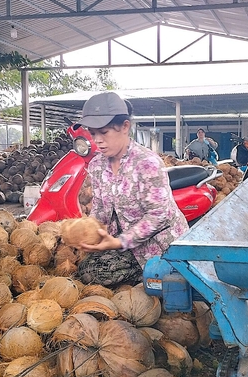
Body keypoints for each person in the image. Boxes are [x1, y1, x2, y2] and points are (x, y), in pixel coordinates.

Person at [72, 91, 188, 286]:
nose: (98, 140)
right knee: (85, 269)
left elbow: (159, 215)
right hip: (122, 243)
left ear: (125, 126)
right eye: (93, 133)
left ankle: (161, 279)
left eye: (104, 132)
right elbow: (99, 209)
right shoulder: (97, 165)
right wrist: (88, 232)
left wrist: (119, 242)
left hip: (158, 246)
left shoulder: (147, 163)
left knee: (94, 274)